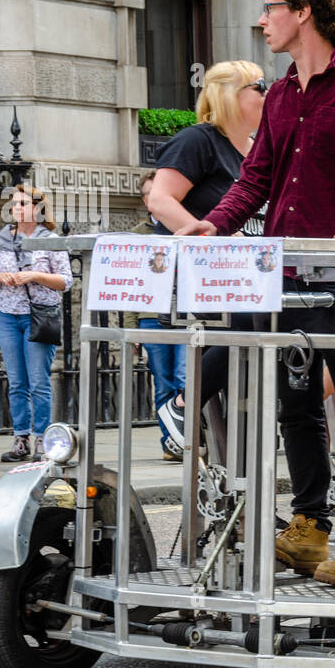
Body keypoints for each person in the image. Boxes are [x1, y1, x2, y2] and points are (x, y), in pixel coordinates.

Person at [188, 0, 335, 588]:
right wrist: (216, 226)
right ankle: (310, 527)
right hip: (280, 270)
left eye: (271, 7)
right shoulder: (281, 95)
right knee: (295, 402)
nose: (262, 20)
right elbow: (256, 177)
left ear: (304, 12)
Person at [148, 58, 266, 443]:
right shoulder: (198, 140)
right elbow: (161, 200)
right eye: (259, 87)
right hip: (208, 275)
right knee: (255, 321)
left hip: (251, 272)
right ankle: (183, 403)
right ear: (230, 95)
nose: (268, 94)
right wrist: (209, 238)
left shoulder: (259, 148)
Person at [0, 185, 72, 462]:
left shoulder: (50, 239)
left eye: (23, 204)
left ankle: (43, 439)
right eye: (14, 204)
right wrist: (1, 277)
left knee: (38, 382)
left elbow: (65, 281)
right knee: (16, 381)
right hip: (8, 315)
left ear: (38, 209)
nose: (16, 209)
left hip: (39, 316)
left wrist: (35, 275)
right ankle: (21, 438)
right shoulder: (3, 238)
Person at [131, 170, 184, 461]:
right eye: (151, 193)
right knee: (163, 381)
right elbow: (133, 286)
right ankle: (170, 442)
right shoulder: (140, 234)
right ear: (146, 200)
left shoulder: (186, 227)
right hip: (151, 316)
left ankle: (189, 436)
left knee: (185, 378)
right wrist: (132, 328)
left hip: (184, 315)